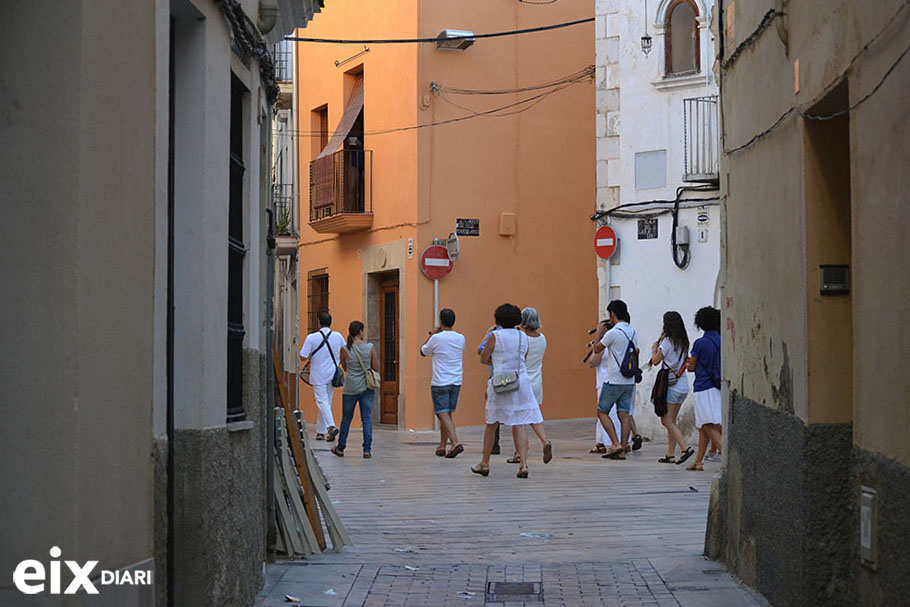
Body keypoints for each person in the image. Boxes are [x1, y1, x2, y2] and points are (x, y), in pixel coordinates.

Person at [471, 304, 543, 478]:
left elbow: (483, 357)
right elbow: (523, 358)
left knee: (491, 423)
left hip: (500, 381)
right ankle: (524, 464)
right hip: (521, 382)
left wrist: (495, 362)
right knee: (519, 422)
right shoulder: (523, 337)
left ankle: (485, 463)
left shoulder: (496, 335)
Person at [591, 300, 639, 459]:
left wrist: (599, 333)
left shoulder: (613, 333)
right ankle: (623, 448)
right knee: (624, 414)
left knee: (602, 411)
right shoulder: (632, 331)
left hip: (614, 379)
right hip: (629, 380)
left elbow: (597, 349)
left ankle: (615, 444)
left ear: (612, 314)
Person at [506, 307, 552, 465]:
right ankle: (544, 440)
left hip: (522, 381)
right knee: (532, 415)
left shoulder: (521, 338)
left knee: (518, 420)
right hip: (537, 381)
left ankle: (519, 453)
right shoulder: (542, 338)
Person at [649, 311, 694, 465]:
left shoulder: (667, 342)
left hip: (672, 387)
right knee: (672, 421)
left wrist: (654, 349)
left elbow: (655, 361)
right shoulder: (684, 341)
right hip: (682, 385)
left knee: (666, 421)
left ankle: (685, 448)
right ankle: (670, 454)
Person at [420, 308, 466, 458]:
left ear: (440, 321)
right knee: (447, 414)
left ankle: (455, 442)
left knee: (441, 413)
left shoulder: (436, 338)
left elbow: (423, 351)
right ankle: (442, 446)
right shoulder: (461, 338)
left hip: (440, 381)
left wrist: (432, 334)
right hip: (456, 380)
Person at [331, 321, 379, 458]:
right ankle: (367, 449)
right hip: (366, 388)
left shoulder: (345, 349)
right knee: (367, 418)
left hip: (350, 387)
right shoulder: (370, 347)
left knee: (346, 418)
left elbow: (345, 367)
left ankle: (340, 447)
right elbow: (375, 367)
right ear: (360, 332)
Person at [685, 306, 723, 471]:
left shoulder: (700, 343)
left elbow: (691, 366)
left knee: (707, 424)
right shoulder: (721, 341)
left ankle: (726, 456)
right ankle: (698, 461)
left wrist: (688, 363)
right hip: (717, 386)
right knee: (703, 426)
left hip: (703, 386)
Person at [300, 311, 345, 441]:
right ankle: (321, 431)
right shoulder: (338, 336)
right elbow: (344, 352)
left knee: (321, 401)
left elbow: (303, 357)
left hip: (318, 374)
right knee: (326, 401)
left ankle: (331, 426)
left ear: (319, 322)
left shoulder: (312, 338)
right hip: (333, 374)